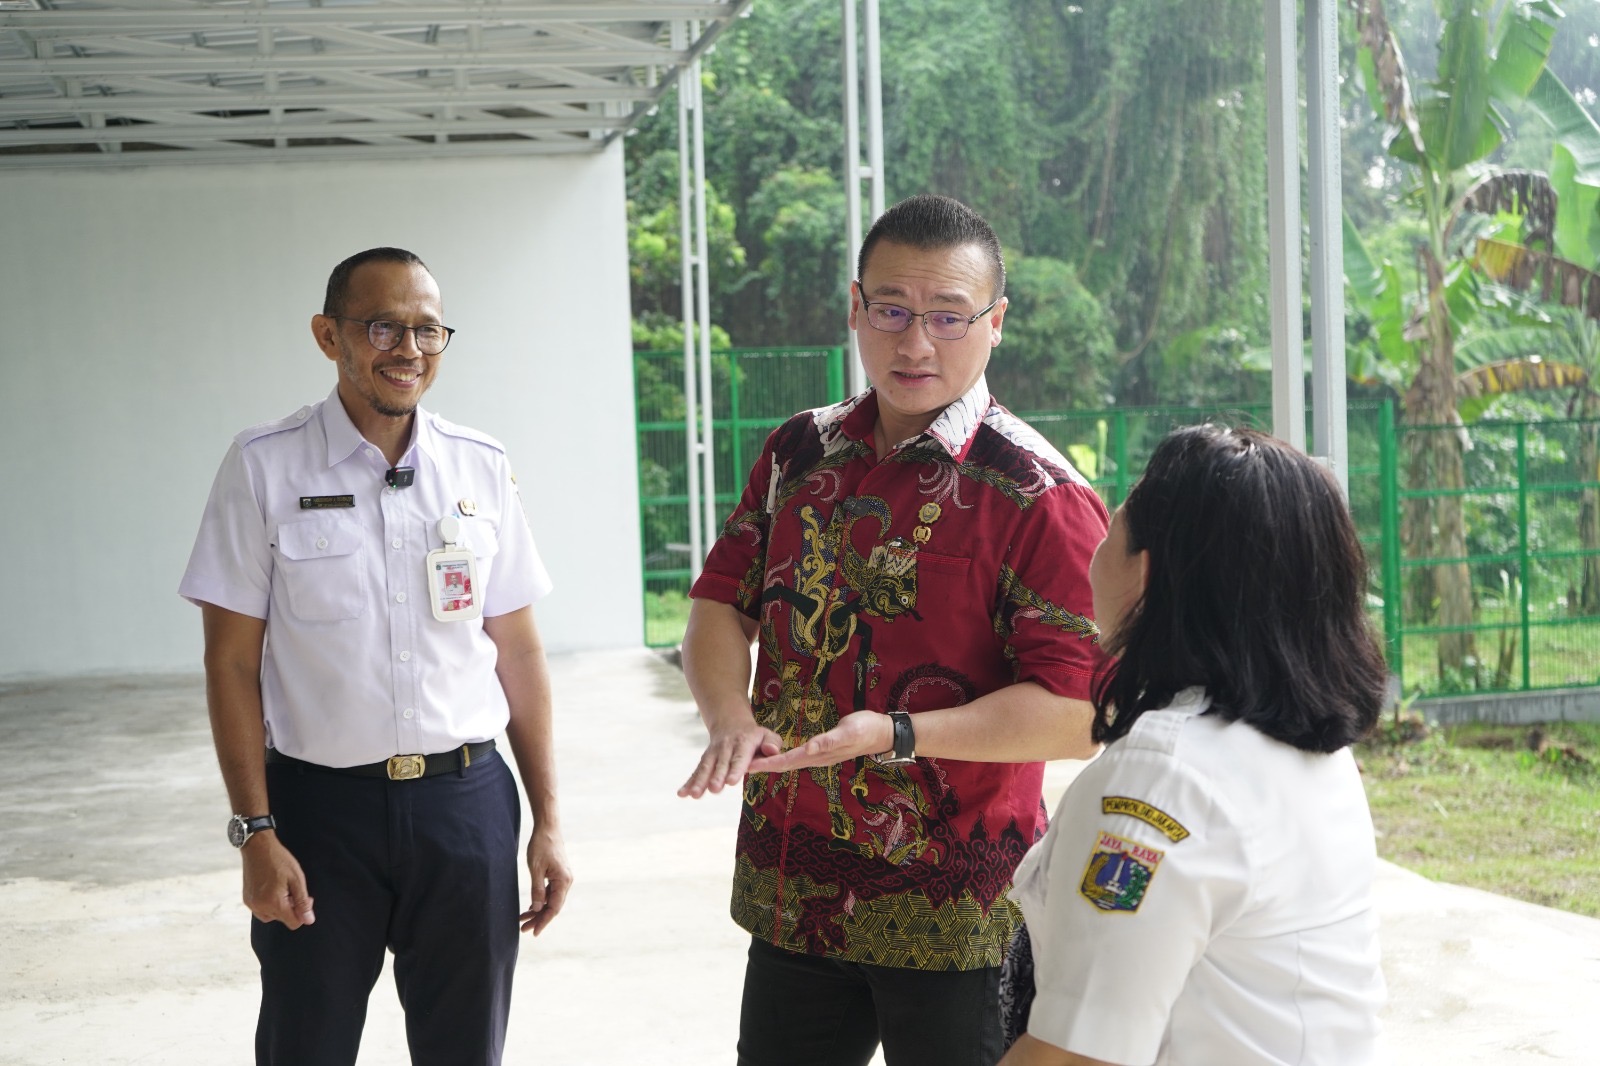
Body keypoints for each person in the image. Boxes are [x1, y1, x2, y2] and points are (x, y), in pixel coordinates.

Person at [678, 194, 1109, 1066]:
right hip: (794, 881)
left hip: (956, 907)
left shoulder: (1040, 493)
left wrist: (900, 734)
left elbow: (1079, 713)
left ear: (997, 323)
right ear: (855, 308)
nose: (916, 344)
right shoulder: (797, 452)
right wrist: (727, 712)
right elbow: (724, 601)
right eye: (893, 311)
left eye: (950, 317)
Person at [178, 247, 571, 1066]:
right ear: (330, 336)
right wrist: (255, 830)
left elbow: (521, 655)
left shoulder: (479, 466)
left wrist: (548, 822)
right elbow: (229, 665)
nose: (409, 350)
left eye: (429, 330)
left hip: (465, 807)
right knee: (305, 1044)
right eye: (383, 326)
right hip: (320, 817)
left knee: (466, 1049)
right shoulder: (264, 466)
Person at [997, 424, 1388, 1066]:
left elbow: (1074, 1056)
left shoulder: (1162, 783)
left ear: (1145, 574)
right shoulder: (1300, 741)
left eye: (1117, 514)